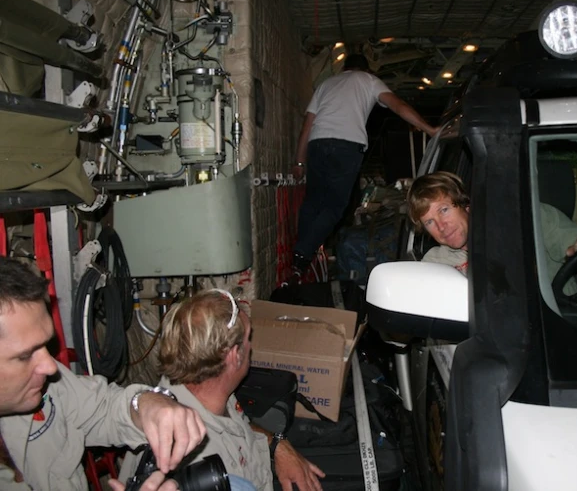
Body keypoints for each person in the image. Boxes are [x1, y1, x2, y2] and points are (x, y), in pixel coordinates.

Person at [0, 256, 207, 491]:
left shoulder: (48, 386)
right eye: (25, 355)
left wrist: (145, 403)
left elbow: (102, 408)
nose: (50, 366)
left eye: (46, 346)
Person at [119, 289, 326, 491]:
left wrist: (277, 446)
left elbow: (239, 426)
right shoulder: (195, 465)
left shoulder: (204, 386)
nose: (251, 347)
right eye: (248, 338)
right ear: (235, 355)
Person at [289, 53, 439, 282]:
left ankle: (299, 254)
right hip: (347, 145)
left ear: (345, 68)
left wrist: (299, 161)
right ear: (367, 69)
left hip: (318, 143)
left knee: (312, 201)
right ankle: (302, 256)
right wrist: (429, 129)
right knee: (335, 207)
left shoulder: (326, 84)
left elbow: (306, 125)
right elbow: (398, 106)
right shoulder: (368, 80)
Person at [406, 172, 577, 294]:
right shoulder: (435, 263)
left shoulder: (532, 220)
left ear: (466, 206)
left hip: (559, 330)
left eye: (444, 210)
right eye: (430, 222)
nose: (441, 226)